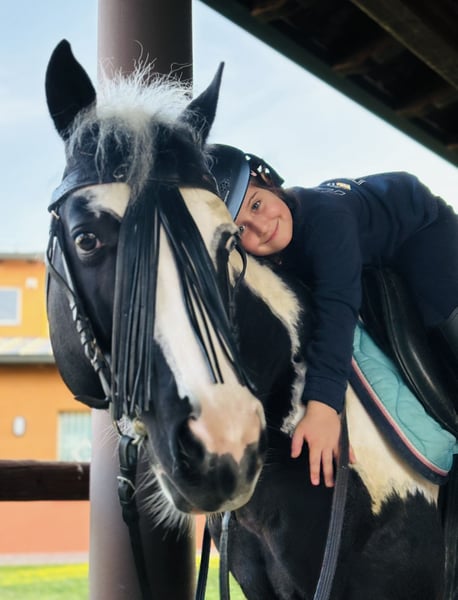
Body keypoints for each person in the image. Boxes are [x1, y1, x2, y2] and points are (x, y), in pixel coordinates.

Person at [207, 143, 458, 488]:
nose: (261, 227)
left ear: (268, 181)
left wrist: (324, 405)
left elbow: (338, 304)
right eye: (242, 230)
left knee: (437, 316)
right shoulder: (272, 246)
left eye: (256, 204)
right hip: (367, 250)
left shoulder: (326, 218)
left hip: (420, 229)